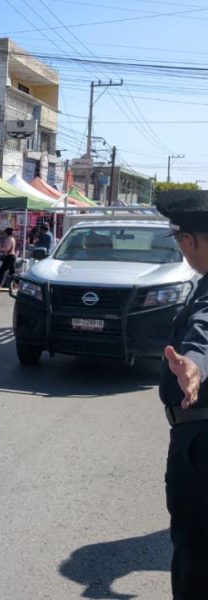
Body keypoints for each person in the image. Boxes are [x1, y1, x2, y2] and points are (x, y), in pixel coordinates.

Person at [154, 192, 208, 599]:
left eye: (178, 239)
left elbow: (204, 332)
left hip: (201, 443)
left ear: (190, 239)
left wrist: (194, 366)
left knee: (196, 555)